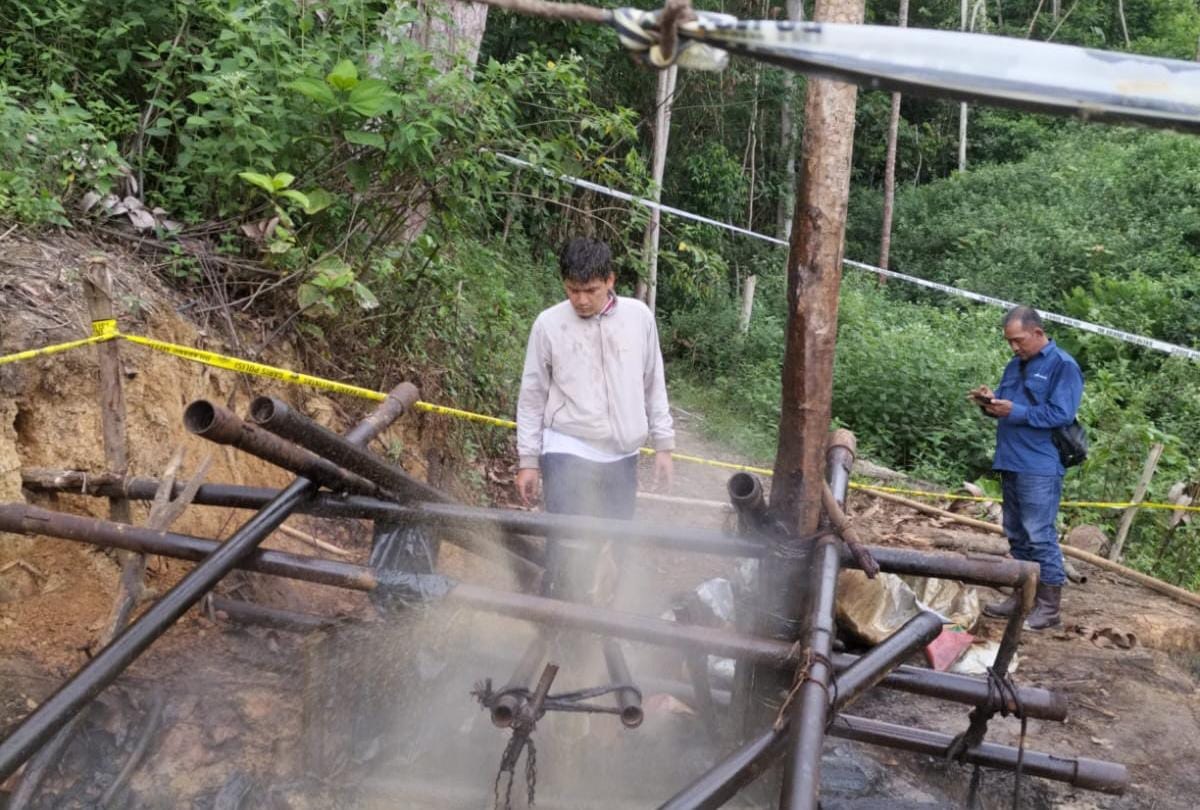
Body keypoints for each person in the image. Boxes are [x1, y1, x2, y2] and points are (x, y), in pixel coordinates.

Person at [516, 237, 675, 598]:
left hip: (623, 454)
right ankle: (555, 620)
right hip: (568, 448)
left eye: (590, 290)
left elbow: (654, 383)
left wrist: (663, 446)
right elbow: (531, 396)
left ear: (610, 281)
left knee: (615, 543)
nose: (581, 300)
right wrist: (528, 460)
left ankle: (602, 623)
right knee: (568, 544)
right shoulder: (548, 325)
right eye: (573, 290)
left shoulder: (639, 318)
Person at [968, 306, 1083, 630]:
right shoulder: (1014, 365)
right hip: (1011, 458)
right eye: (1009, 343)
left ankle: (1048, 607)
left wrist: (1015, 411)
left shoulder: (1063, 366)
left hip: (1039, 464)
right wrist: (989, 402)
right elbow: (1007, 407)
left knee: (1039, 534)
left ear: (1037, 332)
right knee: (1016, 533)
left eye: (1018, 340)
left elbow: (1060, 414)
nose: (1014, 347)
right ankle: (1022, 597)